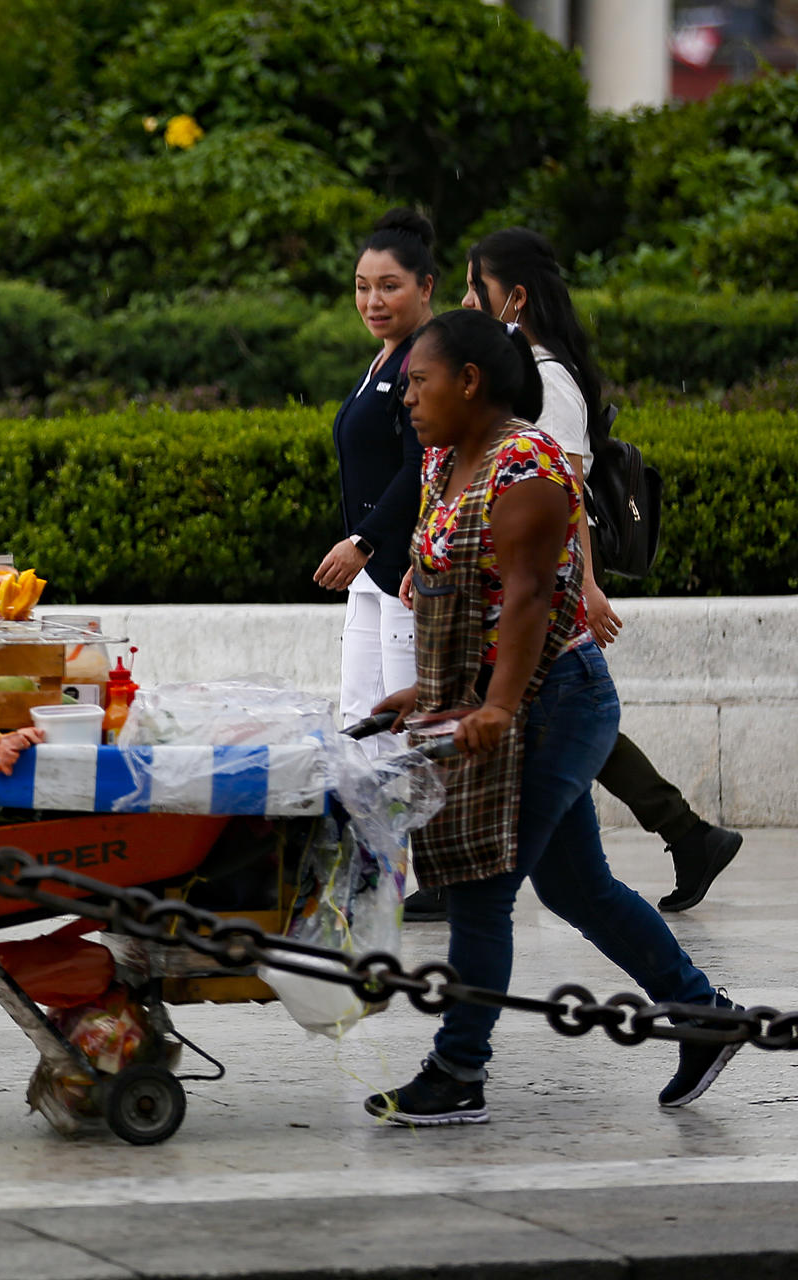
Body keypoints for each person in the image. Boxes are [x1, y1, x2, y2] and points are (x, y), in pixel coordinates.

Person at [364, 311, 738, 1126]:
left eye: (421, 382)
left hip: (558, 701)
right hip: (499, 701)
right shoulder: (444, 462)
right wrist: (426, 696)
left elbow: (531, 593)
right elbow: (461, 596)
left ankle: (459, 1069)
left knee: (482, 884)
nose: (408, 399)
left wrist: (497, 704)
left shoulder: (524, 464)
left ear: (470, 382)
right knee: (578, 887)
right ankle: (703, 1014)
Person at [403, 228, 741, 920]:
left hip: (543, 592)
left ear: (515, 297)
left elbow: (564, 492)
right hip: (527, 594)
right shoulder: (523, 370)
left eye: (477, 287)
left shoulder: (543, 379)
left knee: (560, 712)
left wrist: (581, 588)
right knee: (565, 742)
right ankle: (686, 834)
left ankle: (683, 832)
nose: (467, 300)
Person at [314, 209, 433, 755]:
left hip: (405, 572)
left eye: (390, 287)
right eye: (363, 288)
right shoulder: (383, 359)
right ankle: (373, 843)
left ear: (425, 286)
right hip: (372, 573)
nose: (373, 302)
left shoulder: (425, 360)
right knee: (358, 725)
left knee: (404, 731)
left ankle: (419, 841)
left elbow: (420, 466)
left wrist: (365, 539)